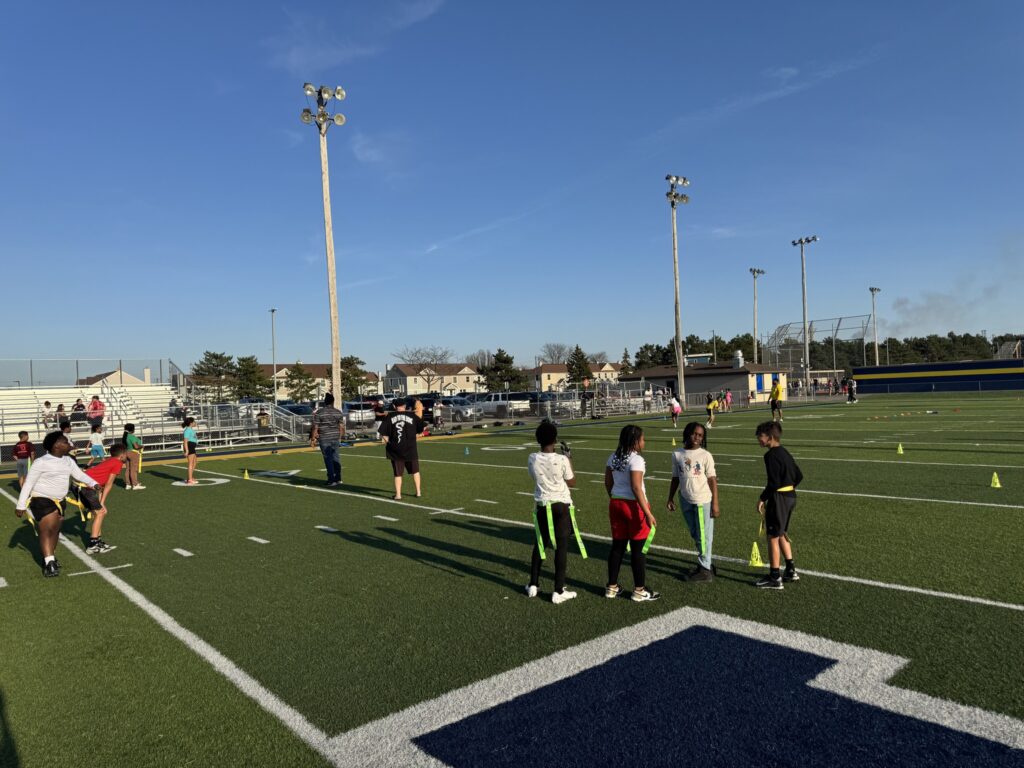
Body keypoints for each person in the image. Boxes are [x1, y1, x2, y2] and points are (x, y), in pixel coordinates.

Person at [15, 431, 101, 577]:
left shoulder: (68, 460)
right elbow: (28, 484)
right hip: (42, 499)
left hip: (60, 501)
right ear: (56, 445)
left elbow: (79, 474)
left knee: (55, 530)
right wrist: (21, 505)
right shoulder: (41, 462)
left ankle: (50, 558)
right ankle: (49, 564)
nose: (69, 444)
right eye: (66, 442)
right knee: (46, 530)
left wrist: (93, 483)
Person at [604, 425, 659, 602]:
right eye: (642, 439)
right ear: (635, 442)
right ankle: (639, 590)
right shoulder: (636, 460)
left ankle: (612, 587)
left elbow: (607, 482)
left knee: (617, 547)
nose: (644, 442)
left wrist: (616, 498)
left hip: (616, 503)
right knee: (638, 550)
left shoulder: (613, 457)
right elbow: (636, 487)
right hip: (633, 506)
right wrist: (647, 513)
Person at [525, 422, 577, 604]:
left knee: (540, 544)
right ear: (555, 439)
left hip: (542, 504)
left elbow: (534, 476)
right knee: (561, 547)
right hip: (561, 505)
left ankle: (533, 584)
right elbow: (571, 482)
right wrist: (568, 457)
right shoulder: (562, 460)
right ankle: (558, 590)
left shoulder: (532, 458)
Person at [754, 421, 803, 589]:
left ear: (770, 437)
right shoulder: (784, 452)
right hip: (790, 496)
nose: (758, 440)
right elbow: (799, 475)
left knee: (773, 536)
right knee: (782, 532)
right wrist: (788, 488)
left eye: (760, 436)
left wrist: (762, 498)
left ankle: (775, 577)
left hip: (780, 497)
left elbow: (773, 483)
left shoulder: (771, 455)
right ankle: (790, 569)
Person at [667, 422, 719, 582]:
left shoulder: (705, 455)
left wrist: (715, 503)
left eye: (700, 435)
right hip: (685, 499)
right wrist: (670, 497)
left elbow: (712, 480)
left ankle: (705, 570)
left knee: (704, 535)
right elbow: (675, 477)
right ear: (687, 433)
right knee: (696, 534)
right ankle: (707, 563)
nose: (697, 437)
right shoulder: (677, 454)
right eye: (694, 433)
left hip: (702, 500)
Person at [75, 444, 129, 555]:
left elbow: (101, 486)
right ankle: (93, 545)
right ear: (122, 455)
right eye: (126, 454)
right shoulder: (117, 463)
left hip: (85, 486)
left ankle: (98, 541)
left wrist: (101, 502)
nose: (127, 455)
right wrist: (102, 503)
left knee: (101, 512)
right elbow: (109, 484)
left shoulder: (111, 460)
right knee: (100, 512)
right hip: (84, 487)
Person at [379, 400, 425, 500]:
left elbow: (382, 432)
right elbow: (422, 428)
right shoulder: (412, 416)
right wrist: (415, 435)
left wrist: (388, 442)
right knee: (415, 471)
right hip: (411, 448)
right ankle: (418, 492)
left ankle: (398, 495)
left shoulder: (390, 416)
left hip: (396, 450)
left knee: (398, 473)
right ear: (404, 406)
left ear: (394, 406)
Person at [310, 393, 345, 487]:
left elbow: (315, 427)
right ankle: (338, 478)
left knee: (328, 459)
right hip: (335, 437)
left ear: (324, 402)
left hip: (324, 438)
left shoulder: (320, 412)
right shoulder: (338, 412)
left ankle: (331, 479)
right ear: (333, 402)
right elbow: (341, 427)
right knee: (336, 458)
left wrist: (313, 439)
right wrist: (340, 437)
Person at [122, 423, 145, 489]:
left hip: (126, 452)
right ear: (132, 429)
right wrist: (142, 446)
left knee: (128, 469)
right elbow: (136, 446)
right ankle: (135, 484)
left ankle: (128, 484)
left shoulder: (125, 436)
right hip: (133, 453)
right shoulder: (131, 436)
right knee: (133, 469)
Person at [182, 417, 199, 485]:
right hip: (189, 446)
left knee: (195, 462)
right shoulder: (187, 430)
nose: (195, 423)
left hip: (192, 446)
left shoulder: (190, 430)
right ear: (191, 423)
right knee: (191, 463)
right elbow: (185, 441)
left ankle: (190, 477)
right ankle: (190, 480)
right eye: (194, 422)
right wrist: (186, 451)